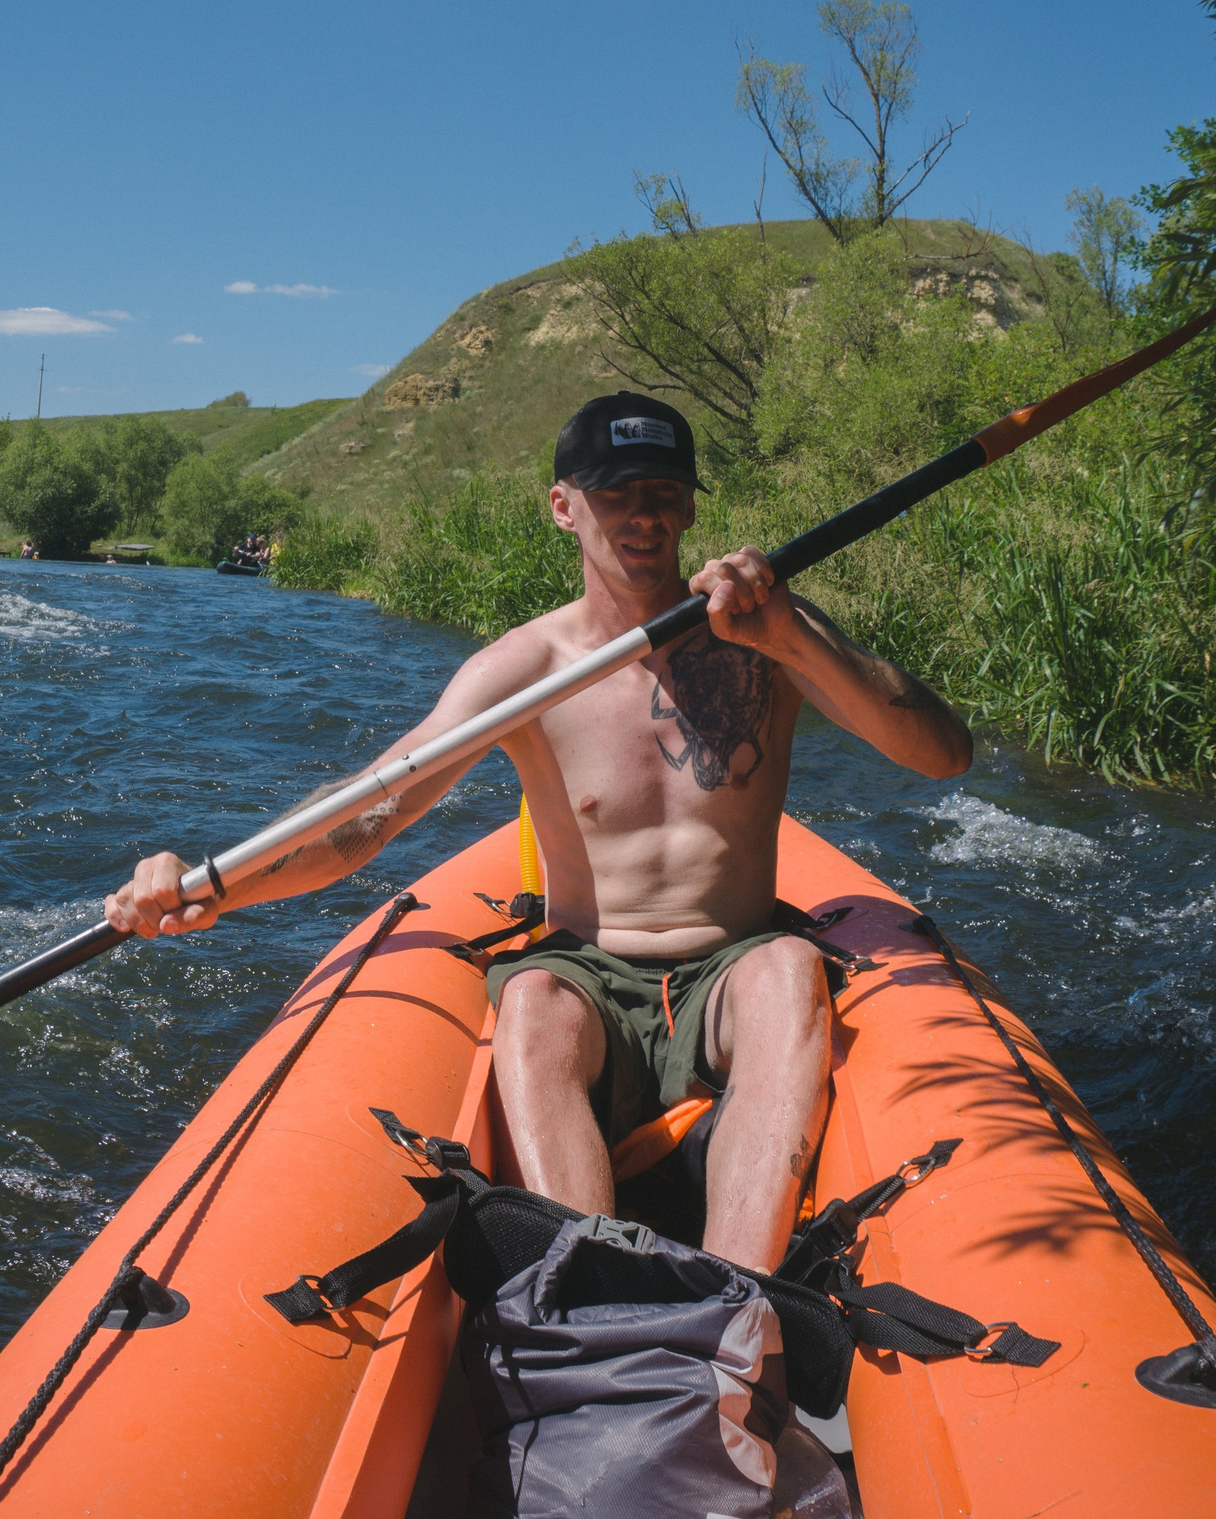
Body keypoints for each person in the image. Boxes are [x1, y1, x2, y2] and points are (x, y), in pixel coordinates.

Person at [105, 393, 969, 1269]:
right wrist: (213, 885)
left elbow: (942, 755)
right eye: (615, 491)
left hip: (732, 963)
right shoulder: (523, 671)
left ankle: (741, 1304)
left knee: (788, 969)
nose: (644, 515)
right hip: (589, 972)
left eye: (665, 491)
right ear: (564, 505)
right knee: (530, 1000)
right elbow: (370, 811)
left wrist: (794, 634)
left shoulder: (768, 636)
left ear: (693, 506)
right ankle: (591, 1300)